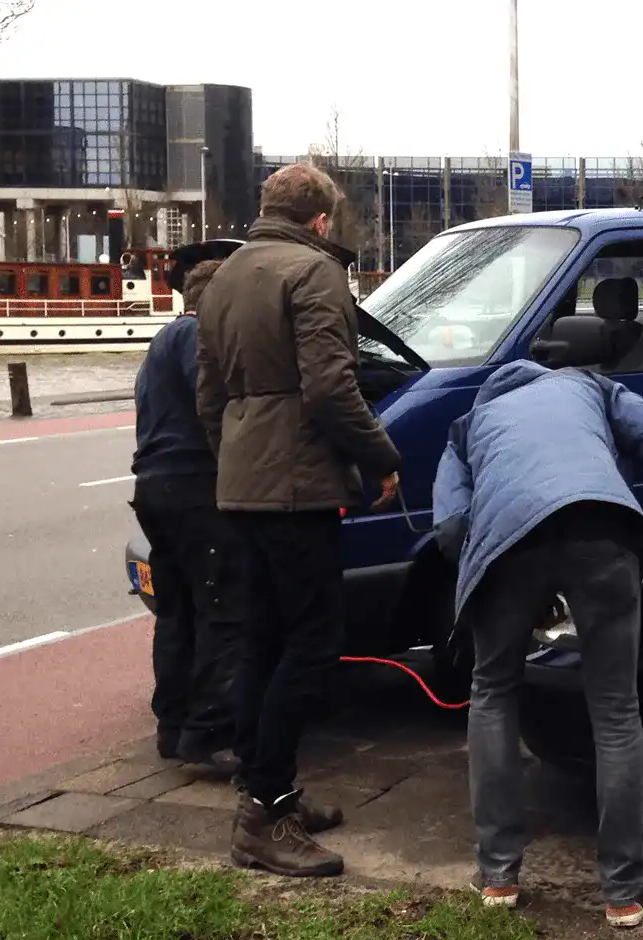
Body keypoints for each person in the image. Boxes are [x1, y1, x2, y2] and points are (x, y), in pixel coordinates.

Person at [432, 358, 643, 928]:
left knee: (492, 692)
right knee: (615, 709)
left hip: (505, 546)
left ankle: (498, 876)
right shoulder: (589, 387)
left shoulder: (469, 424)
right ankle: (624, 891)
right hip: (602, 529)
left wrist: (507, 589)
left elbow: (452, 526)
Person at [196, 161, 402, 878]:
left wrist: (239, 462)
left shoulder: (225, 276)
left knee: (259, 641)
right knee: (312, 647)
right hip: (298, 492)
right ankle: (262, 817)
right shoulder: (314, 273)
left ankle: (269, 794)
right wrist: (380, 457)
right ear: (321, 220)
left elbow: (209, 396)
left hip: (242, 488)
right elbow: (330, 387)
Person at [131, 252, 238, 774]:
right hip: (196, 485)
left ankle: (171, 726)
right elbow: (213, 402)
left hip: (155, 485)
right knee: (220, 608)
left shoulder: (161, 341)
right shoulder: (200, 337)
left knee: (178, 612)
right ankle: (209, 734)